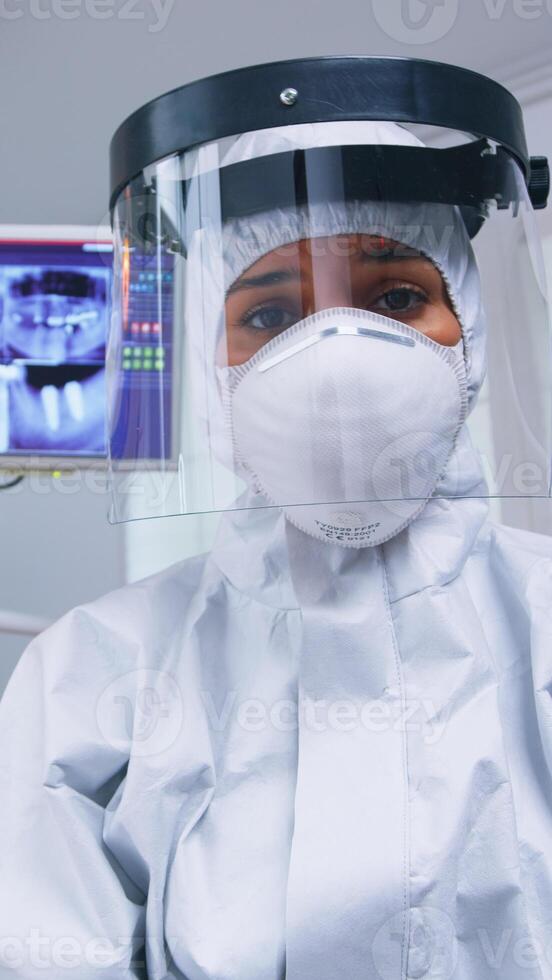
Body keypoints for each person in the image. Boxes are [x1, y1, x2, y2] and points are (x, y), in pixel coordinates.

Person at [1, 59, 552, 980]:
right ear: (211, 367)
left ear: (474, 326)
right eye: (268, 313)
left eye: (394, 298)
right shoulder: (89, 674)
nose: (335, 358)